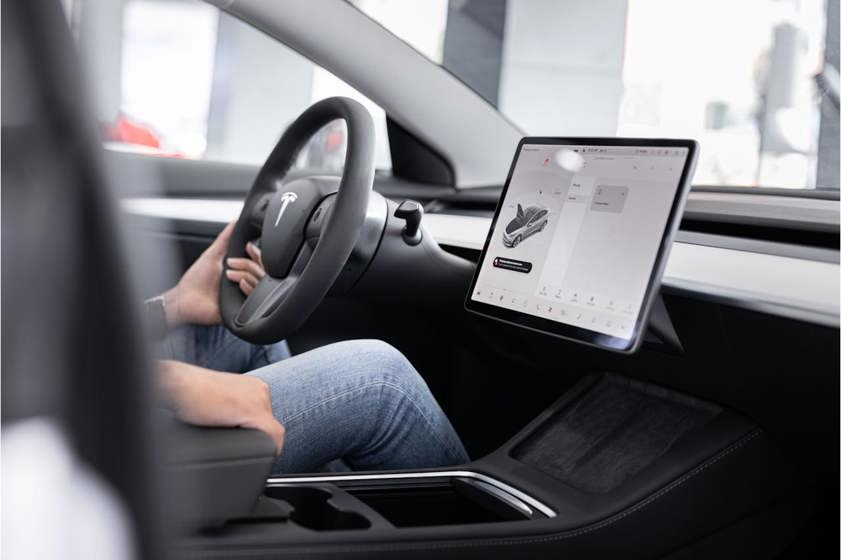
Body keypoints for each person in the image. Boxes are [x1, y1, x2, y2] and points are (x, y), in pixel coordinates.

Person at [152, 222, 468, 474]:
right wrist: (172, 383)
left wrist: (173, 305)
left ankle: (322, 487)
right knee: (381, 383)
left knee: (238, 323)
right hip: (114, 444)